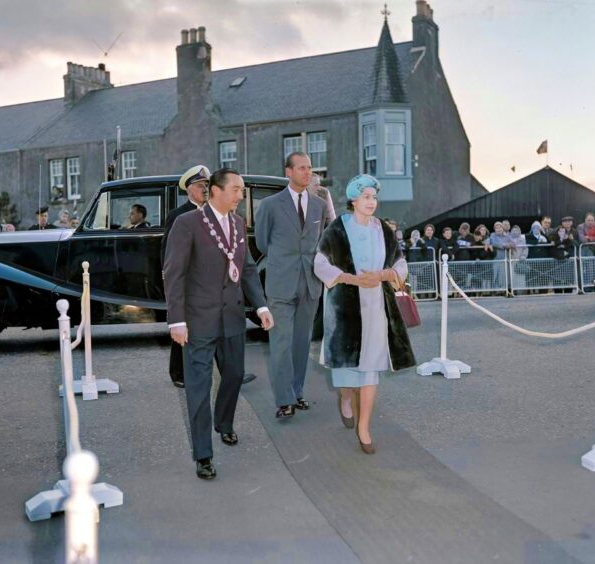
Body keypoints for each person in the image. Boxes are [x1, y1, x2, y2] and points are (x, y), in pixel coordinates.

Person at [163, 168, 274, 480]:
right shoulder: (188, 224)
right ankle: (203, 455)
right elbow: (174, 273)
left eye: (241, 190)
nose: (241, 195)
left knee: (235, 375)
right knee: (198, 389)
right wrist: (177, 320)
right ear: (215, 191)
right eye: (236, 190)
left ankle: (223, 423)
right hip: (197, 321)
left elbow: (248, 269)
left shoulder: (238, 223)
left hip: (232, 318)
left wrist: (261, 305)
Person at [314, 174, 415, 454]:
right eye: (366, 197)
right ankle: (345, 398)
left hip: (376, 309)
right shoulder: (337, 229)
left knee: (370, 369)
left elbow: (400, 264)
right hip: (345, 309)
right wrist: (349, 278)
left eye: (374, 197)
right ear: (354, 199)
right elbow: (320, 264)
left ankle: (364, 428)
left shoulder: (383, 229)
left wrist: (386, 274)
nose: (372, 202)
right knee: (349, 374)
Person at [255, 151, 327, 419]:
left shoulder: (319, 205)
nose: (307, 172)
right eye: (300, 168)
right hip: (280, 283)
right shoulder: (271, 205)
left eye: (309, 168)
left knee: (301, 343)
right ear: (288, 172)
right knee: (281, 343)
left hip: (310, 284)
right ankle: (284, 399)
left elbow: (319, 242)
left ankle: (297, 392)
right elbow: (262, 242)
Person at [161, 165, 211, 388]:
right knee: (182, 324)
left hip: (208, 280)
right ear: (189, 189)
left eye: (207, 186)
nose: (205, 190)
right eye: (201, 186)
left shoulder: (213, 212)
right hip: (187, 278)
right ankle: (178, 372)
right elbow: (168, 252)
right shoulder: (178, 216)